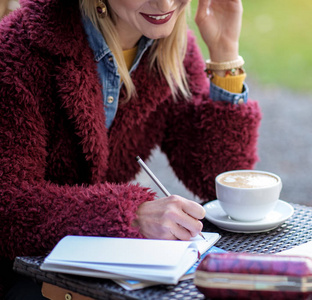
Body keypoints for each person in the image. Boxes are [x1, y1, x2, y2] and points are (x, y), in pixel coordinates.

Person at [0, 0, 261, 297]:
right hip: (21, 277)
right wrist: (127, 213)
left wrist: (225, 54)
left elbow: (217, 179)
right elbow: (8, 205)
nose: (164, 3)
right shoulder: (19, 49)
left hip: (105, 275)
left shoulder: (173, 50)